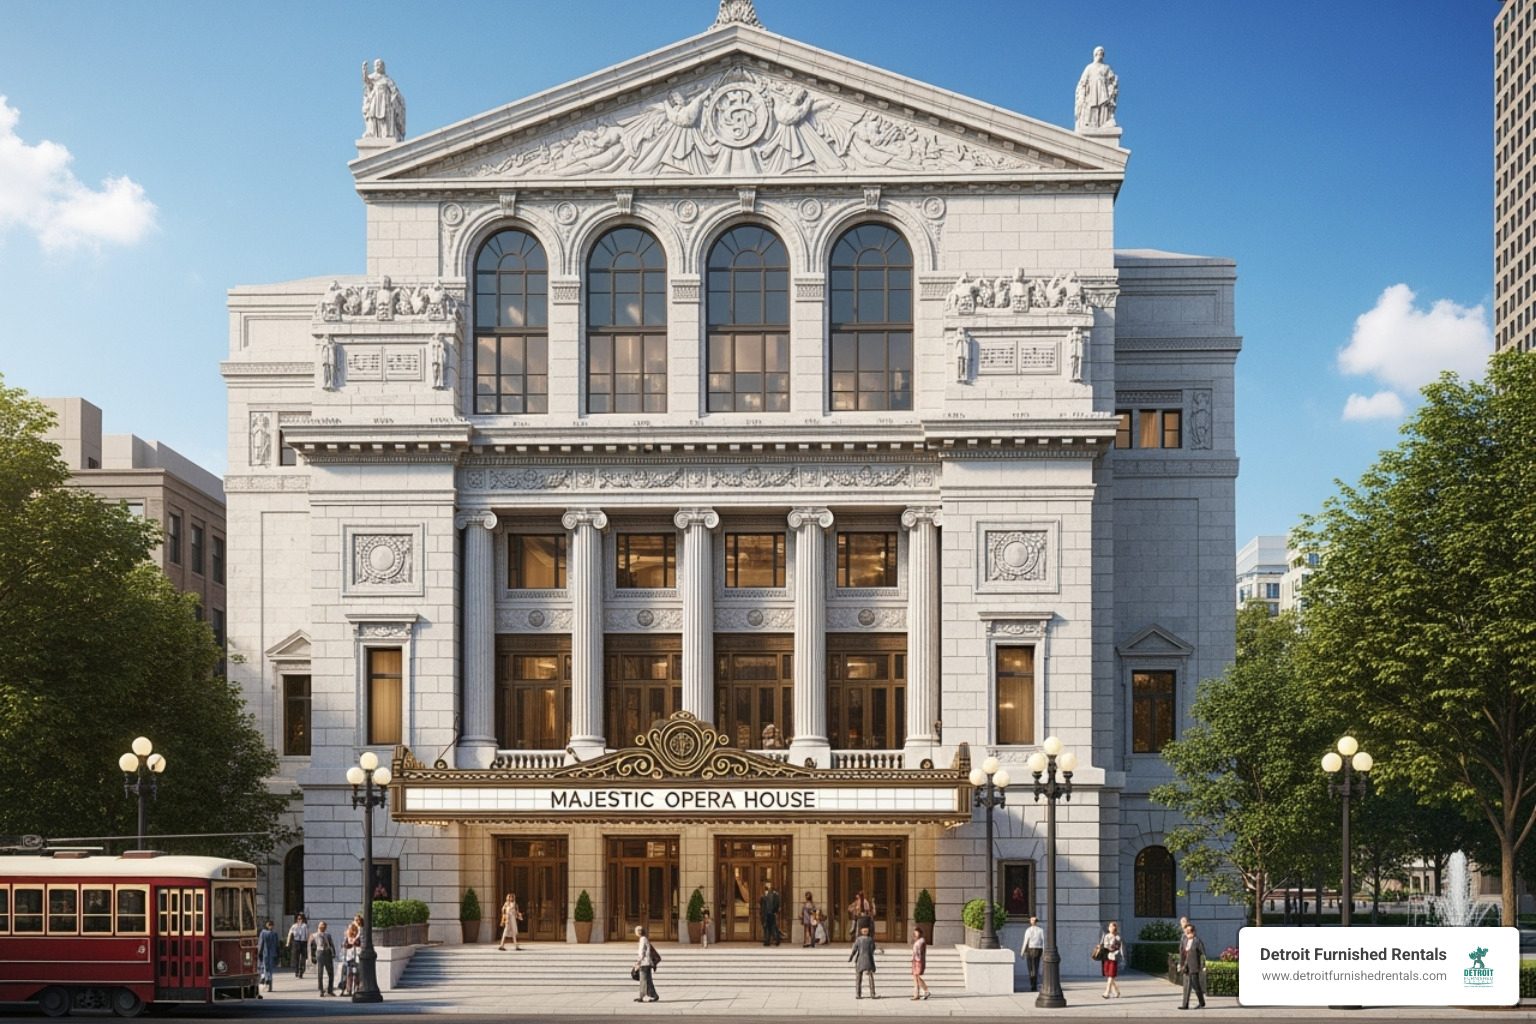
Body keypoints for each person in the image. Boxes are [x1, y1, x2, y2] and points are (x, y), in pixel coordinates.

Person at [1179, 922, 1207, 1009]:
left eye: (1190, 930)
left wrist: (1203, 965)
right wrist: (1180, 964)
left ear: (1194, 931)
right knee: (1186, 986)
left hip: (1194, 966)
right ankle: (1185, 1005)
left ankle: (1202, 1003)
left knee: (1196, 985)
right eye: (1186, 931)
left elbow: (1203, 954)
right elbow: (1182, 954)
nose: (1188, 932)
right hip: (1186, 966)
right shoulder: (1185, 941)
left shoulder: (1197, 941)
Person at [849, 925, 878, 999]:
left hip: (860, 959)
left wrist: (851, 957)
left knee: (858, 977)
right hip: (869, 959)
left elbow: (854, 949)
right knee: (871, 977)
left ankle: (858, 994)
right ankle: (872, 994)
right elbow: (873, 948)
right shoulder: (870, 939)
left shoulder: (858, 940)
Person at [634, 925, 660, 1002]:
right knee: (648, 980)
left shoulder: (642, 939)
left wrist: (638, 963)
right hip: (647, 963)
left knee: (643, 981)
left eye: (636, 931)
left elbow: (642, 953)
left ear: (638, 932)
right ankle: (654, 995)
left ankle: (642, 997)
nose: (635, 932)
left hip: (644, 963)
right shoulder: (645, 938)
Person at [310, 921, 336, 996]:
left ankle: (330, 989)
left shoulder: (328, 935)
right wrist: (312, 957)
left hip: (327, 952)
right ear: (318, 926)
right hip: (320, 952)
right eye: (321, 926)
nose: (322, 927)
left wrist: (333, 953)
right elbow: (312, 947)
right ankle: (321, 989)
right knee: (320, 972)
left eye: (324, 926)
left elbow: (331, 944)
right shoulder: (314, 935)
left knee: (330, 972)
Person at [1100, 920, 1123, 999]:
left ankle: (1107, 992)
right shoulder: (1106, 935)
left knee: (1111, 974)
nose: (1110, 927)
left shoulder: (1118, 937)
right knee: (1109, 975)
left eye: (1111, 926)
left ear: (1115, 927)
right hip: (1107, 957)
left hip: (1114, 957)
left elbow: (1117, 947)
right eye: (1109, 926)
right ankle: (1117, 991)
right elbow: (1105, 945)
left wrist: (1112, 942)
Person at [1021, 915, 1044, 992]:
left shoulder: (1028, 930)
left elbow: (1025, 941)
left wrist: (1022, 952)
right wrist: (1043, 951)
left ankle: (1032, 983)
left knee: (1030, 968)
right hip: (1038, 949)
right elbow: (1043, 941)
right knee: (1036, 967)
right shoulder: (1040, 930)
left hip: (1031, 949)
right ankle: (1034, 982)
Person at [257, 919, 278, 994]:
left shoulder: (263, 933)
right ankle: (270, 987)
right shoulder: (274, 934)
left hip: (265, 953)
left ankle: (266, 980)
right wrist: (277, 954)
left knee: (265, 968)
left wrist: (259, 953)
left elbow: (261, 944)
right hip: (272, 954)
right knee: (270, 970)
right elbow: (276, 945)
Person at [342, 919, 362, 995]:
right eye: (351, 930)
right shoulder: (347, 938)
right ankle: (349, 989)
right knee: (349, 973)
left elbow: (359, 944)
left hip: (356, 957)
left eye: (354, 930)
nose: (352, 931)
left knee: (356, 973)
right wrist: (350, 943)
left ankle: (356, 988)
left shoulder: (358, 938)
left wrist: (355, 942)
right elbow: (345, 945)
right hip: (349, 957)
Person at [286, 914, 309, 979]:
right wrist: (288, 942)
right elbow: (290, 934)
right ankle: (297, 971)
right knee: (296, 957)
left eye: (301, 919)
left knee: (303, 957)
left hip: (303, 942)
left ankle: (301, 971)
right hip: (296, 942)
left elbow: (307, 934)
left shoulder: (305, 926)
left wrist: (308, 942)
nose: (300, 920)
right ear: (296, 919)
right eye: (298, 919)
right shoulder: (294, 926)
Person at [909, 926, 930, 1000]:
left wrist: (914, 958)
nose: (915, 935)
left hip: (918, 961)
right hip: (916, 961)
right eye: (914, 933)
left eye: (916, 933)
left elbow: (919, 953)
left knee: (916, 976)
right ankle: (917, 994)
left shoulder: (920, 942)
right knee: (915, 977)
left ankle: (926, 990)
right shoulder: (919, 941)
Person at [760, 883, 781, 947]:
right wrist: (775, 911)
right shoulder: (774, 894)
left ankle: (772, 940)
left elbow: (764, 906)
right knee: (770, 927)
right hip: (770, 913)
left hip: (768, 913)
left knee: (770, 927)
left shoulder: (768, 895)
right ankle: (769, 940)